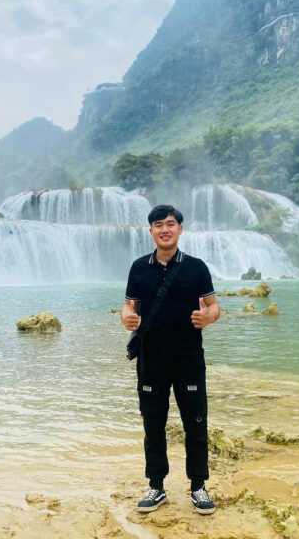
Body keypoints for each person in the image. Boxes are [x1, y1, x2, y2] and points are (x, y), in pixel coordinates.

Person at [121, 204, 221, 515]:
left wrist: (208, 317)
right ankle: (156, 486)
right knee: (153, 424)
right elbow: (128, 306)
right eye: (158, 225)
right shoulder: (139, 268)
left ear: (179, 229)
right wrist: (126, 318)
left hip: (188, 358)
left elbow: (213, 306)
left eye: (170, 224)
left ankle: (199, 487)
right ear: (151, 231)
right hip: (151, 359)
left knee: (196, 424)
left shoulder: (196, 267)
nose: (165, 229)